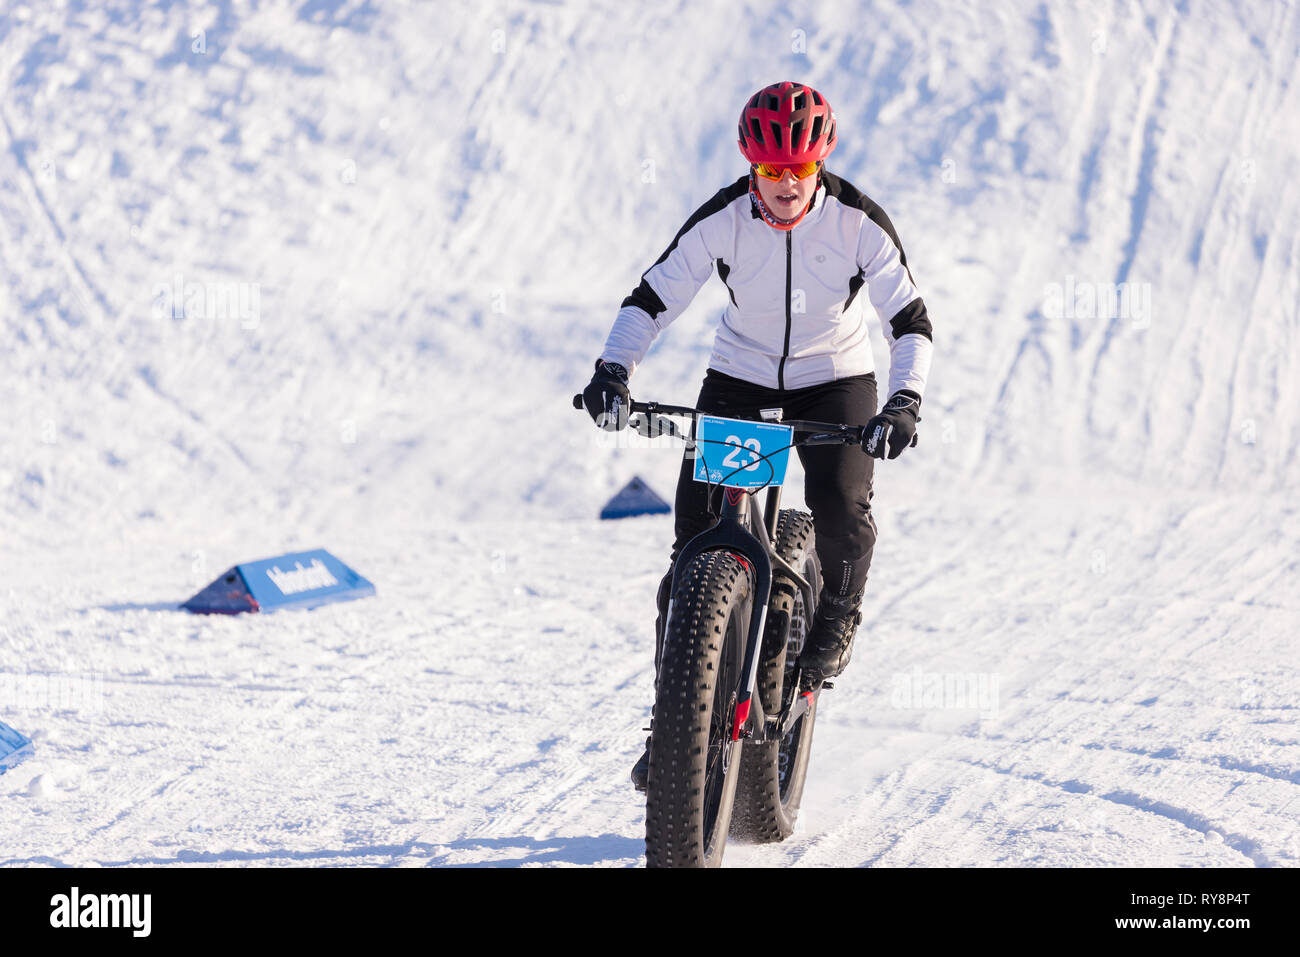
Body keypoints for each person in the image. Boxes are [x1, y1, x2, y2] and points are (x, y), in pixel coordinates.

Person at [581, 81, 934, 790]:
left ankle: (836, 612)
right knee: (691, 550)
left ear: (820, 165)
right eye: (769, 171)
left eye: (797, 171)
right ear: (751, 166)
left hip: (833, 376)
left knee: (837, 499)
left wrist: (903, 401)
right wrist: (613, 369)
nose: (783, 186)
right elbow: (653, 296)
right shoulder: (723, 218)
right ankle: (674, 717)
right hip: (741, 376)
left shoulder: (858, 222)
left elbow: (910, 321)